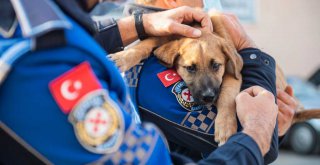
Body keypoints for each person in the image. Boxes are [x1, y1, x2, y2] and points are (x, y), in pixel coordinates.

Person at [0, 0, 278, 164]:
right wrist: (252, 56)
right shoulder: (46, 57)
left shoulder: (28, 21)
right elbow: (266, 143)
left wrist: (141, 25)